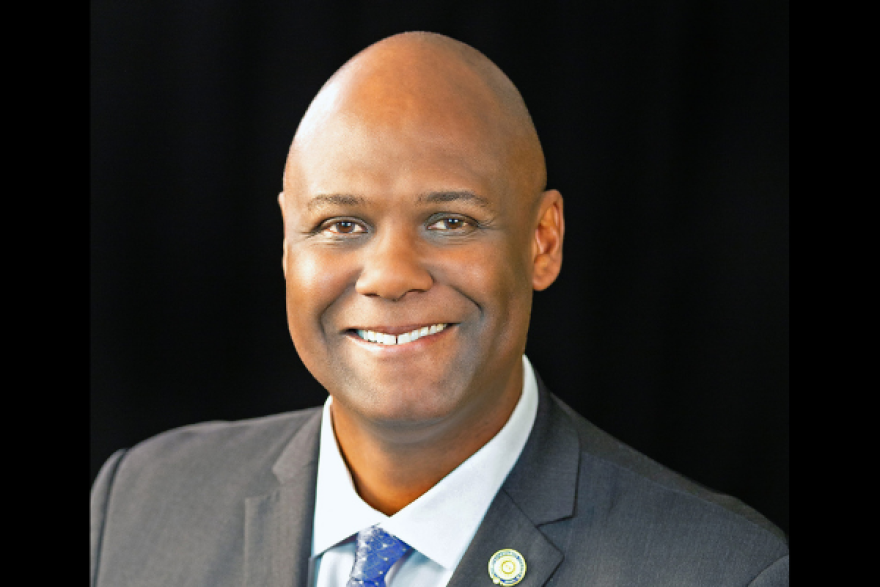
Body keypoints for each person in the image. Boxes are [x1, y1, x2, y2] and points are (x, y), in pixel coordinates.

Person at [90, 32, 788, 587]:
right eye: (341, 224)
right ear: (285, 243)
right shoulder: (137, 503)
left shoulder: (723, 570)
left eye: (450, 222)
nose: (391, 277)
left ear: (543, 242)